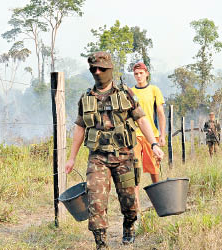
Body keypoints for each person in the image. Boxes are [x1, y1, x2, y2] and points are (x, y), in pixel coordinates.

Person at [64, 52, 164, 249]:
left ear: (110, 69)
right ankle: (101, 243)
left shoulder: (126, 93)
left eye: (102, 69)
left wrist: (153, 144)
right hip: (98, 157)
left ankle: (129, 227)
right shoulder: (86, 98)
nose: (98, 72)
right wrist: (71, 158)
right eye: (94, 69)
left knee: (129, 201)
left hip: (124, 155)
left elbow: (142, 119)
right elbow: (79, 128)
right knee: (95, 200)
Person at [130, 62, 166, 212]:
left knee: (154, 170)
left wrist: (162, 135)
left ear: (146, 74)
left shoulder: (154, 90)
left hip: (152, 136)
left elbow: (160, 113)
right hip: (135, 136)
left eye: (141, 73)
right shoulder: (130, 92)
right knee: (135, 171)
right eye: (136, 74)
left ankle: (159, 203)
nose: (139, 76)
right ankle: (136, 208)